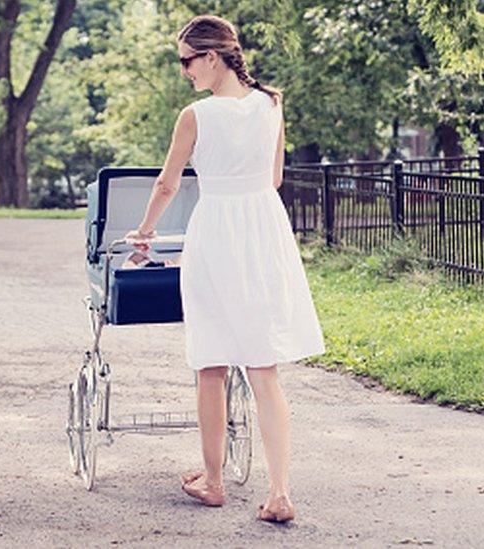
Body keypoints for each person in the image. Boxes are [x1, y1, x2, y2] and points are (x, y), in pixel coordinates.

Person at [125, 15, 325, 523]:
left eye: (187, 60)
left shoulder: (196, 116)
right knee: (263, 368)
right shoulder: (271, 105)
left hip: (215, 234)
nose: (184, 71)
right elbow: (275, 177)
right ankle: (279, 492)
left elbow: (167, 186)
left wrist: (144, 233)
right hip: (262, 232)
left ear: (212, 57)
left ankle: (213, 482)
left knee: (210, 364)